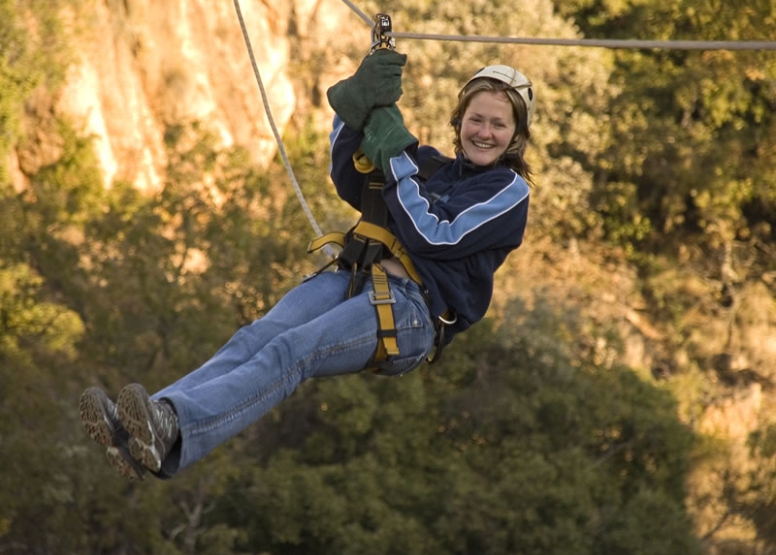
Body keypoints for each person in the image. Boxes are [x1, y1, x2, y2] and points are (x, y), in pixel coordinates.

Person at [79, 49, 536, 480]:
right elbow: (350, 180)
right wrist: (358, 111)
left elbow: (434, 234)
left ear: (516, 136)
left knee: (293, 350)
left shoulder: (508, 191)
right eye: (476, 119)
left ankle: (176, 425)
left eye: (498, 125)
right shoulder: (428, 166)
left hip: (410, 312)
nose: (484, 132)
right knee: (256, 337)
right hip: (358, 276)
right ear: (459, 121)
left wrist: (396, 158)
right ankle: (144, 427)